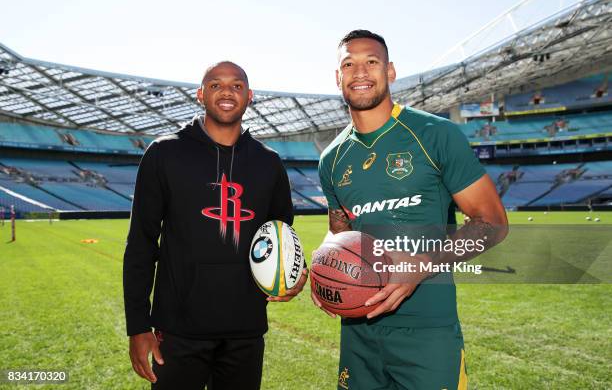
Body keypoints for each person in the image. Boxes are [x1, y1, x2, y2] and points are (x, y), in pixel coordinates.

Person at [315, 30, 508, 390]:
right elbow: (339, 233)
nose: (360, 72)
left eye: (371, 62)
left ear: (389, 72)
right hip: (358, 331)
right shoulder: (331, 159)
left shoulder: (437, 134)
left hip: (428, 332)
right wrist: (322, 267)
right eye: (348, 64)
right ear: (337, 77)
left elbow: (493, 224)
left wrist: (420, 267)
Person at [123, 61, 307, 390]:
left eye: (236, 85)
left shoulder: (269, 162)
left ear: (249, 96)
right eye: (215, 85)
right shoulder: (164, 153)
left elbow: (281, 236)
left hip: (245, 330)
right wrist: (137, 326)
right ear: (200, 94)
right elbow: (141, 243)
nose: (226, 91)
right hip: (178, 332)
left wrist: (296, 272)